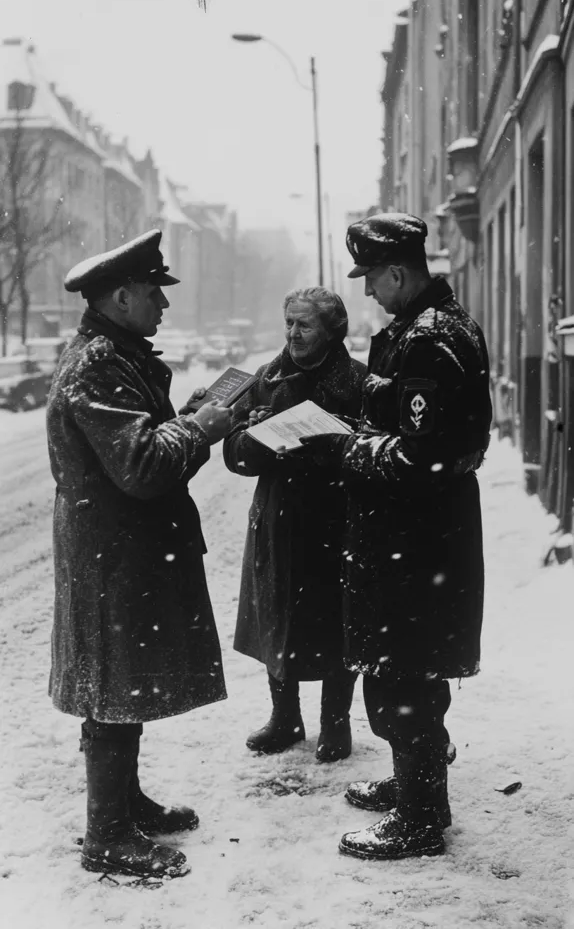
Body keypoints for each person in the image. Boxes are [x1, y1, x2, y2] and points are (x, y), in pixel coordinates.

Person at [300, 214, 492, 860]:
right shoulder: (433, 328)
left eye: (373, 281)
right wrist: (376, 402)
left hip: (414, 547)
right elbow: (422, 417)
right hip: (421, 543)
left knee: (400, 678)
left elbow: (423, 458)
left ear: (400, 273)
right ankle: (418, 789)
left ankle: (418, 819)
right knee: (406, 673)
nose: (368, 294)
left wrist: (345, 449)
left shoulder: (429, 339)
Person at [46, 229, 232, 880]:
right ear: (122, 296)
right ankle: (107, 835)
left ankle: (124, 803)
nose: (164, 305)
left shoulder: (116, 357)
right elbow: (142, 464)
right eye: (154, 293)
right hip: (111, 558)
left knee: (121, 685)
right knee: (111, 689)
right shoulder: (98, 364)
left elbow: (145, 442)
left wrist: (193, 417)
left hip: (122, 552)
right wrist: (201, 425)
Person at [223, 287, 366, 762]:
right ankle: (285, 717)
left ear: (332, 330)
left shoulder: (359, 382)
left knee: (335, 619)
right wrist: (258, 441)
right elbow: (234, 454)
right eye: (288, 322)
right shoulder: (266, 378)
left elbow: (369, 453)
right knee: (277, 613)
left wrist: (329, 443)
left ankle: (335, 722)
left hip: (334, 518)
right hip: (278, 517)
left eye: (304, 325)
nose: (293, 333)